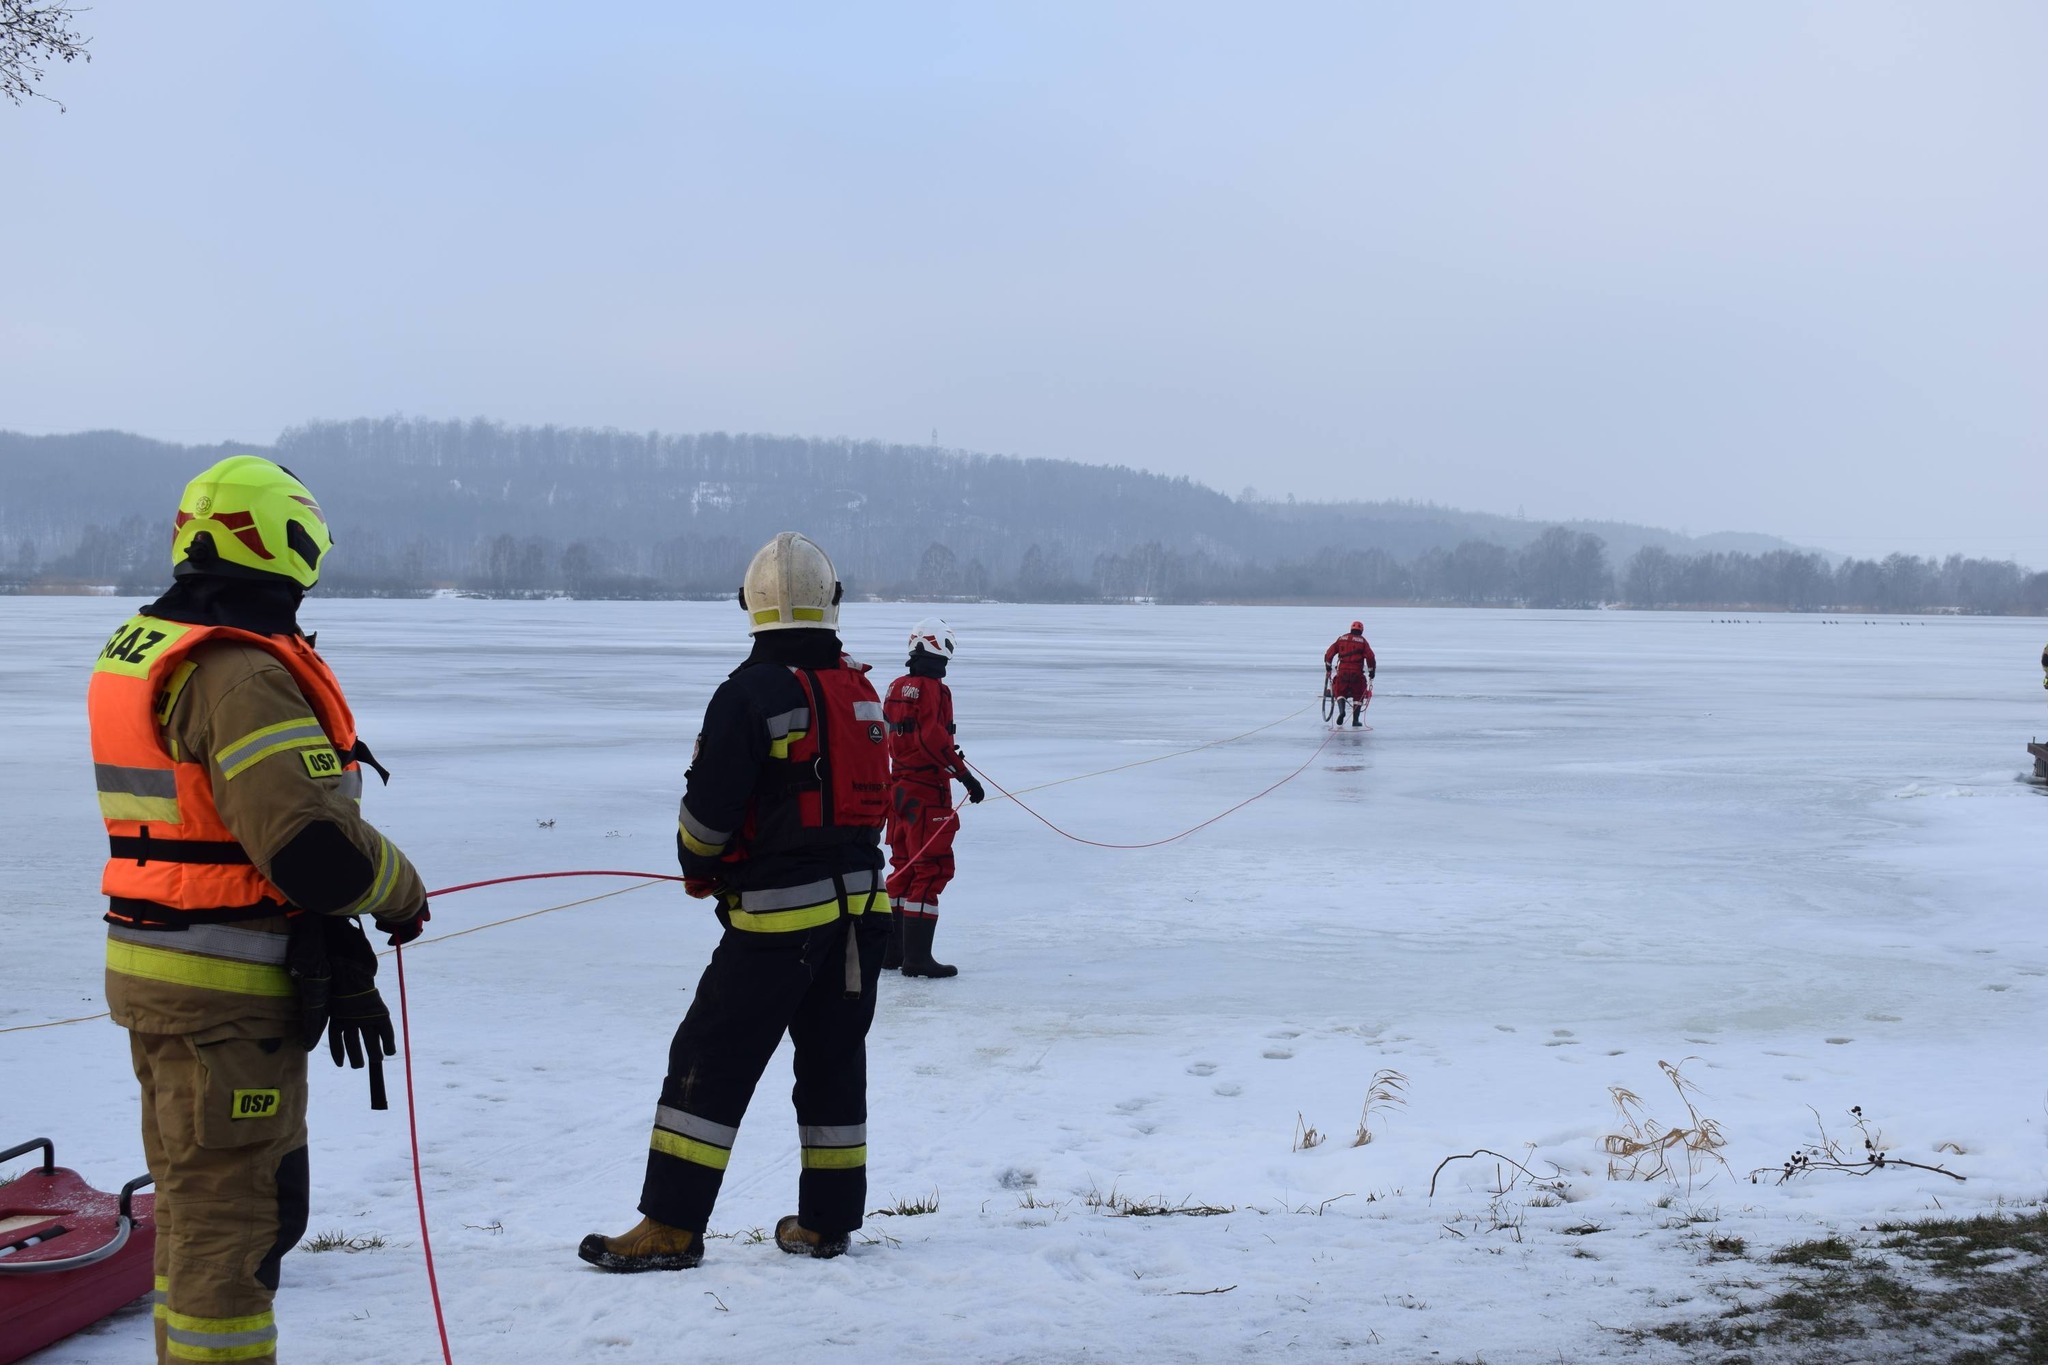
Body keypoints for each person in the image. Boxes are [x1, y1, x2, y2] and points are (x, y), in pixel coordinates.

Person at [88, 456, 428, 1365]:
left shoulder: (154, 646)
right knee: (230, 1229)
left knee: (203, 1210)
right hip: (223, 994)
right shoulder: (236, 671)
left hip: (167, 968)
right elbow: (309, 849)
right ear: (283, 540)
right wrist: (399, 888)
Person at [581, 532, 892, 1271]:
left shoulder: (748, 694)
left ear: (749, 606)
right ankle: (827, 1222)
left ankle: (671, 1224)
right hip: (862, 918)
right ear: (833, 602)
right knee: (833, 1062)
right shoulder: (859, 690)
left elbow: (708, 815)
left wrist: (698, 865)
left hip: (778, 925)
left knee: (708, 1059)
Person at [881, 619, 985, 978]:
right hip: (927, 793)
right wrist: (966, 777)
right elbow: (933, 740)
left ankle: (891, 953)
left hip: (898, 791)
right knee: (931, 868)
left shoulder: (896, 686)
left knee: (903, 866)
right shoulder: (934, 691)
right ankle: (917, 959)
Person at [1324, 620, 1377, 727]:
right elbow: (1370, 657)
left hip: (1342, 671)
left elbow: (1329, 653)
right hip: (1356, 673)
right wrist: (1372, 672)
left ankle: (1342, 711)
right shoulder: (1363, 641)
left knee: (1340, 692)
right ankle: (1355, 720)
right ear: (1361, 630)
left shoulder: (1341, 639)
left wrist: (1328, 666)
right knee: (1358, 695)